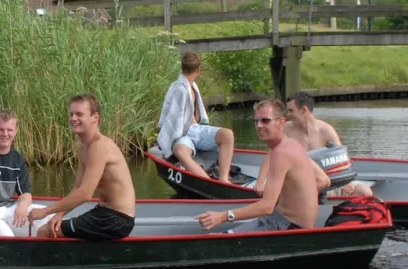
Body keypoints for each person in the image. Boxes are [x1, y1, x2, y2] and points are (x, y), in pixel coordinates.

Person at [198, 99, 323, 232]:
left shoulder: (281, 153)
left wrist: (222, 216)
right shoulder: (291, 144)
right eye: (256, 121)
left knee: (218, 241)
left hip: (289, 227)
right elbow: (323, 180)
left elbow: (267, 206)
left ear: (281, 122)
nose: (259, 126)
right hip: (282, 219)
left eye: (265, 120)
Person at [31, 93, 138, 241]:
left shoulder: (100, 146)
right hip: (103, 213)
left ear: (95, 117)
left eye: (79, 114)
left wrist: (46, 211)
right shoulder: (83, 147)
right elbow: (78, 187)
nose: (73, 118)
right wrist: (59, 214)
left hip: (117, 219)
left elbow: (85, 194)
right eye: (71, 114)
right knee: (53, 226)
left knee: (44, 232)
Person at [154, 52, 235, 182]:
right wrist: (168, 143)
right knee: (180, 151)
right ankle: (208, 183)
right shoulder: (178, 88)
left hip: (196, 129)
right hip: (183, 135)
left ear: (182, 68)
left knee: (227, 135)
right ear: (198, 70)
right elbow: (171, 119)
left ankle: (223, 179)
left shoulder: (192, 86)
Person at [284, 91, 374, 198]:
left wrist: (345, 183)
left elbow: (342, 161)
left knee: (364, 191)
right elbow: (273, 156)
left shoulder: (326, 130)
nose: (288, 115)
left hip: (330, 182)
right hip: (300, 183)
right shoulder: (285, 130)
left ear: (304, 110)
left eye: (291, 111)